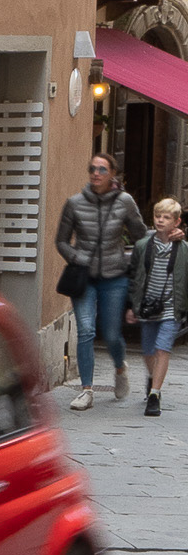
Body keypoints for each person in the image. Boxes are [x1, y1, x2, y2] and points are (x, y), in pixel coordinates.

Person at [55, 151, 147, 411]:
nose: (96, 174)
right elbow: (61, 241)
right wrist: (76, 257)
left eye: (102, 169)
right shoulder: (74, 203)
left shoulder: (125, 202)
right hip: (84, 277)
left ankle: (120, 367)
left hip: (114, 277)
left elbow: (141, 237)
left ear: (112, 174)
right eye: (93, 169)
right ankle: (86, 390)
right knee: (86, 330)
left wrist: (133, 260)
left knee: (111, 334)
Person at [126, 197, 188, 417]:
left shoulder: (183, 249)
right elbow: (134, 277)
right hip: (148, 307)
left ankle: (155, 394)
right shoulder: (143, 246)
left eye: (166, 217)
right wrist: (132, 306)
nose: (160, 220)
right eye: (157, 216)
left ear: (176, 222)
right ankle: (153, 378)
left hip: (172, 307)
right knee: (148, 351)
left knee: (163, 348)